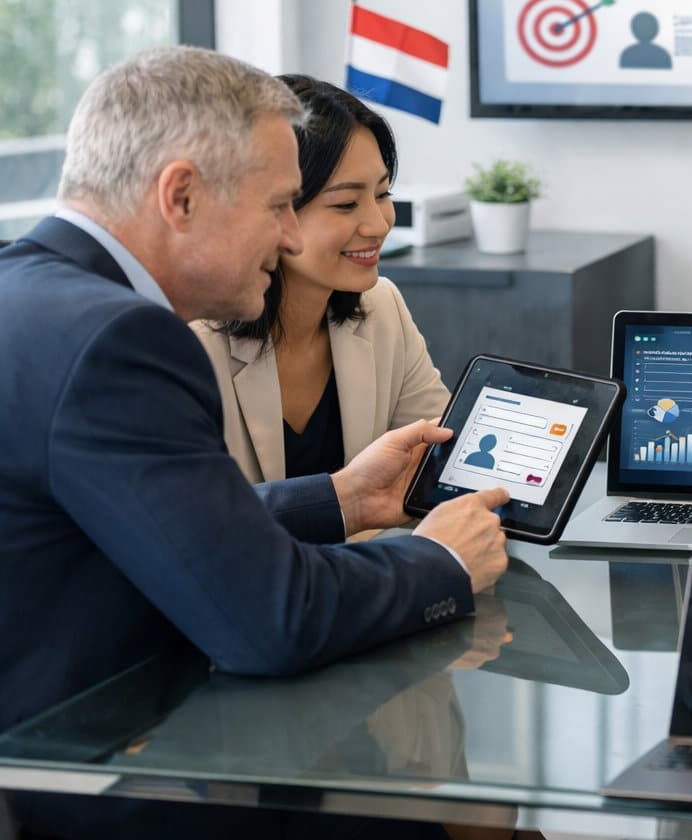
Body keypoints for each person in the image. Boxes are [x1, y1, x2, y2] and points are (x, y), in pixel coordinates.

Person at [0, 46, 511, 837]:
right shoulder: (122, 339)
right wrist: (439, 560)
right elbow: (270, 621)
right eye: (279, 205)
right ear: (181, 196)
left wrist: (335, 499)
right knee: (437, 820)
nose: (285, 234)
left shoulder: (28, 290)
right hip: (90, 773)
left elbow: (162, 529)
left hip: (84, 734)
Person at [193, 75, 449, 485]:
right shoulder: (192, 343)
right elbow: (204, 521)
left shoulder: (382, 307)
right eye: (346, 203)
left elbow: (442, 462)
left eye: (383, 194)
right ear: (272, 208)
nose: (378, 224)